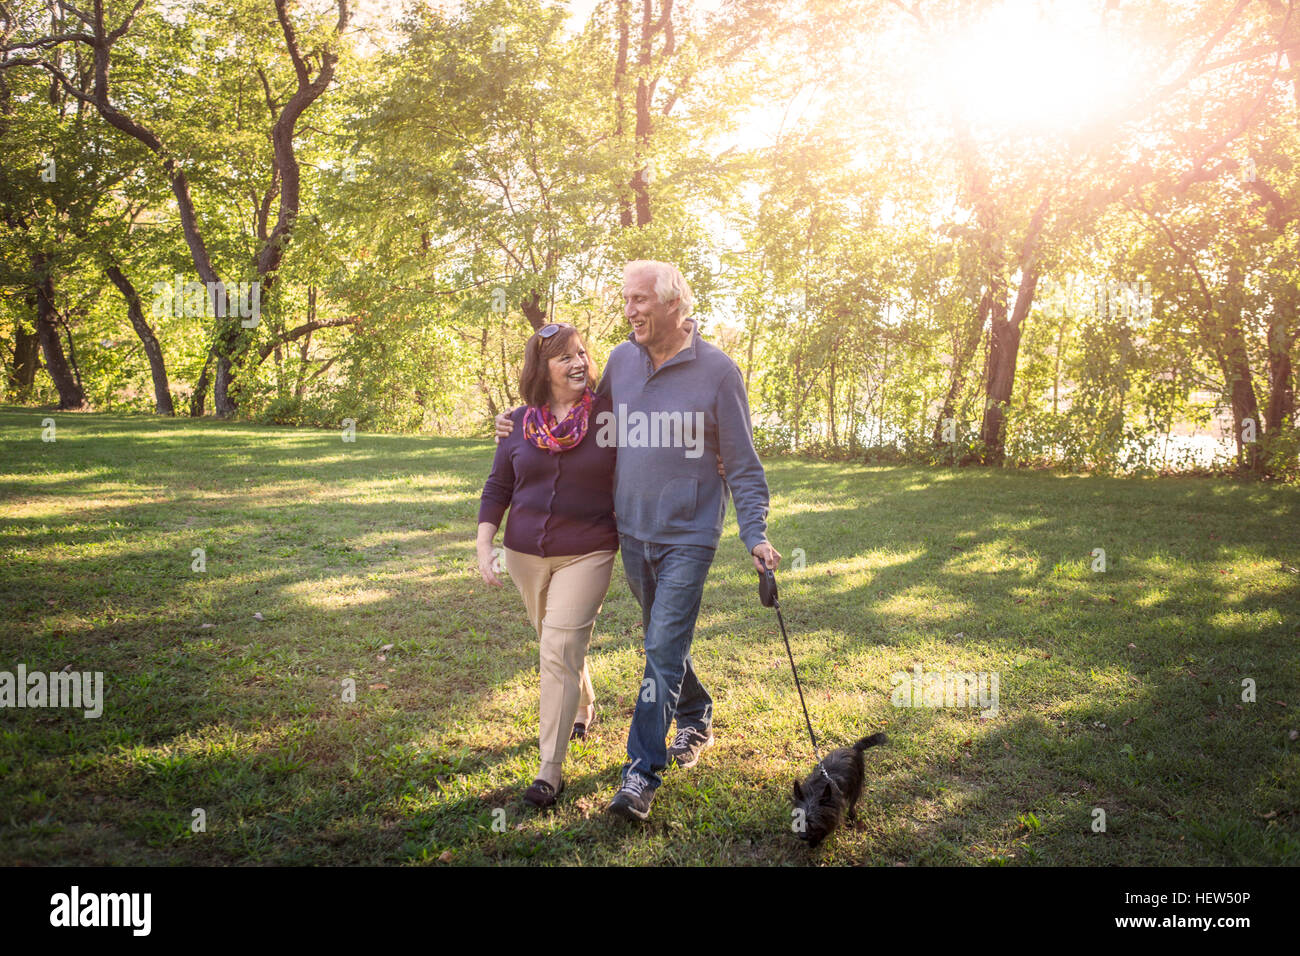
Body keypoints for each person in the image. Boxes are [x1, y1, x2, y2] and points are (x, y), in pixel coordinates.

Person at [496, 260, 780, 822]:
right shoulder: (623, 361)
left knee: (660, 649)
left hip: (689, 536)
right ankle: (696, 713)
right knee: (662, 640)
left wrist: (756, 534)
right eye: (626, 300)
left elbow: (744, 466)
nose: (629, 311)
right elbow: (579, 416)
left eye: (640, 300)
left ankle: (640, 773)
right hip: (631, 530)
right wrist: (519, 417)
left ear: (675, 304)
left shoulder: (720, 372)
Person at [477, 323, 616, 809]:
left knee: (556, 647)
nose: (579, 363)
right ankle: (584, 704)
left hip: (589, 548)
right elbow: (498, 486)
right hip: (523, 554)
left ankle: (549, 771)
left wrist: (715, 453)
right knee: (556, 642)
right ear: (543, 369)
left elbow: (659, 442)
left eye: (582, 354)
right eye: (565, 358)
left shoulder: (609, 417)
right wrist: (484, 542)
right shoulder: (516, 423)